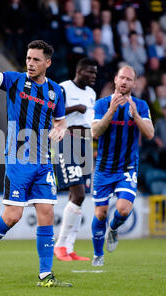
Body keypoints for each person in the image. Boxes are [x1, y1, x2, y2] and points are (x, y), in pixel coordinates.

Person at [0, 20, 70, 288]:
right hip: (17, 161)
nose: (30, 63)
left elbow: (60, 122)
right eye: (28, 58)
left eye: (36, 59)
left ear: (48, 62)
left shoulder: (56, 91)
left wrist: (60, 130)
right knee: (13, 217)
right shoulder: (14, 81)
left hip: (43, 163)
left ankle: (45, 275)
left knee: (46, 212)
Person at [90, 65, 154, 266]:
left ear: (133, 84)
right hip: (103, 168)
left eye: (129, 79)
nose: (125, 82)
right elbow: (95, 132)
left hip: (127, 167)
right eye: (122, 78)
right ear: (115, 80)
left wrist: (135, 115)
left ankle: (114, 228)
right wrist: (111, 112)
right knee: (100, 213)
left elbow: (150, 134)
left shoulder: (141, 106)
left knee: (124, 209)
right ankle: (98, 255)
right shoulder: (101, 104)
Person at [53, 57, 97, 262]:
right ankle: (60, 245)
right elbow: (51, 112)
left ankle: (69, 248)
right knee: (77, 194)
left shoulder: (91, 94)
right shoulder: (63, 88)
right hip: (67, 140)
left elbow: (90, 122)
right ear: (79, 71)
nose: (93, 76)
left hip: (85, 144)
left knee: (80, 197)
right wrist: (75, 107)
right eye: (90, 72)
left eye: (95, 73)